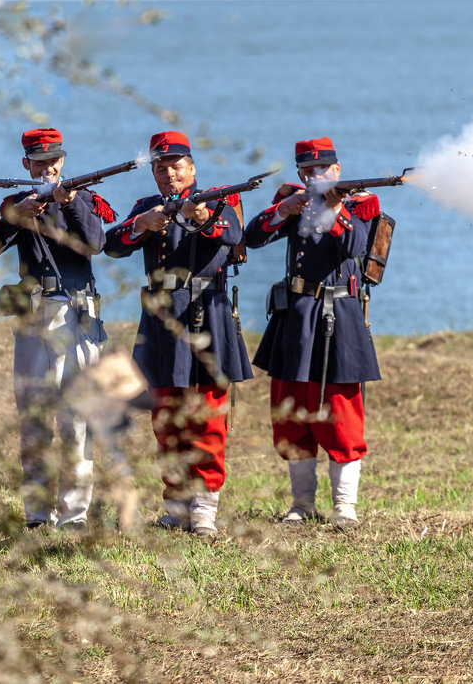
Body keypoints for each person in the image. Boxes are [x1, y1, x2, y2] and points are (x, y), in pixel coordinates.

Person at [104, 131, 252, 537]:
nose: (169, 173)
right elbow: (112, 245)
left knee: (206, 416)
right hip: (161, 318)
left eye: (176, 166)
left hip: (206, 315)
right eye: (161, 167)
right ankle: (175, 503)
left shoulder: (220, 198)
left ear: (192, 168)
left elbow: (235, 235)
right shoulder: (146, 207)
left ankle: (204, 508)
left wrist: (202, 218)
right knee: (166, 416)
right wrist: (141, 225)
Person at [243, 136, 383, 528]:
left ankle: (344, 506)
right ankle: (302, 504)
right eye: (306, 170)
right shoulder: (296, 201)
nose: (313, 175)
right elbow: (254, 237)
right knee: (292, 413)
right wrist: (285, 208)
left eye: (320, 169)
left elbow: (354, 245)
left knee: (341, 415)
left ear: (336, 170)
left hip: (339, 317)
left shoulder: (361, 204)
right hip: (295, 317)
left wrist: (334, 206)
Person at [0, 127, 116, 530]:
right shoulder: (15, 203)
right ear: (26, 164)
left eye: (53, 160)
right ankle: (36, 513)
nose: (47, 167)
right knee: (33, 417)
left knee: (76, 419)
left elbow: (96, 242)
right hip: (32, 315)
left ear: (63, 161)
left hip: (75, 315)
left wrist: (70, 203)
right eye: (39, 161)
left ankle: (74, 514)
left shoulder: (85, 199)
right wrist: (18, 217)